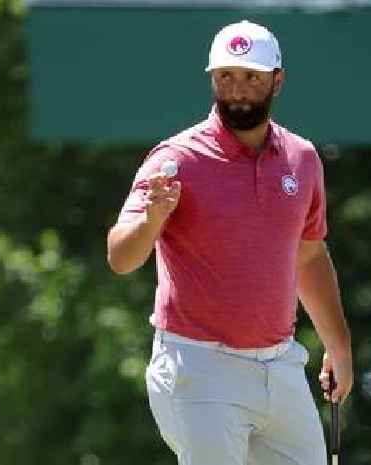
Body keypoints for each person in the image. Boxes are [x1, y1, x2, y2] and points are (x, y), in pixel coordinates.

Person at [107, 19, 353, 465]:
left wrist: (339, 347)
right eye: (226, 76)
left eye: (251, 77)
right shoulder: (174, 160)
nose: (237, 89)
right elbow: (121, 257)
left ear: (277, 81)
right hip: (200, 368)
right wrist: (151, 221)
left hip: (281, 366)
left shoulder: (302, 158)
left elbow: (310, 255)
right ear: (212, 79)